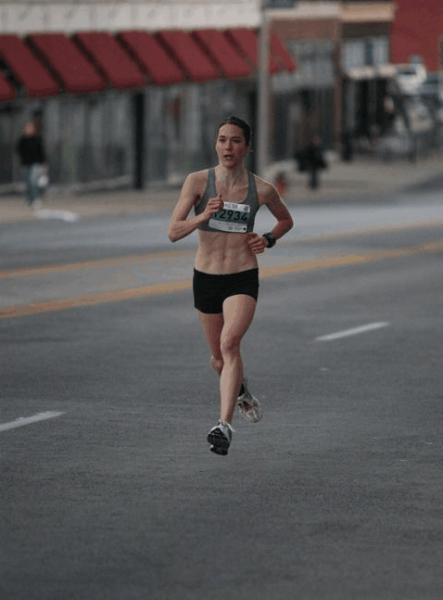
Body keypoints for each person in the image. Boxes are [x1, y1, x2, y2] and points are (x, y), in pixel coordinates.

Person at [168, 115, 294, 456]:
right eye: (222, 140)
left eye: (236, 141)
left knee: (230, 343)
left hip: (242, 275)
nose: (228, 147)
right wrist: (201, 216)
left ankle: (223, 425)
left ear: (247, 147)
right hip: (206, 277)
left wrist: (267, 239)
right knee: (218, 358)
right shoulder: (197, 182)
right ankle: (240, 392)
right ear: (216, 144)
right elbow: (173, 232)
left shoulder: (261, 189)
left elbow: (286, 219)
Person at [16, 121, 47, 208]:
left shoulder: (37, 139)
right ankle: (28, 199)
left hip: (36, 163)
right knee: (26, 182)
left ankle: (36, 199)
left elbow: (41, 151)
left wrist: (43, 163)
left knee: (34, 181)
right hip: (25, 163)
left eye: (31, 128)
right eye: (28, 128)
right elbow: (18, 150)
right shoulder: (22, 140)